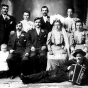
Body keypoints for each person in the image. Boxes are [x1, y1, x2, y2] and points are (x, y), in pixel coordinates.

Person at [20, 49, 88, 85]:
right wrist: (67, 68)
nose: (79, 58)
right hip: (59, 71)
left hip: (65, 76)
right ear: (75, 57)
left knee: (47, 79)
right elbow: (62, 65)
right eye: (77, 56)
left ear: (83, 56)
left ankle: (29, 81)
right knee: (44, 73)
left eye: (80, 56)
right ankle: (27, 77)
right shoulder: (72, 61)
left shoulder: (86, 63)